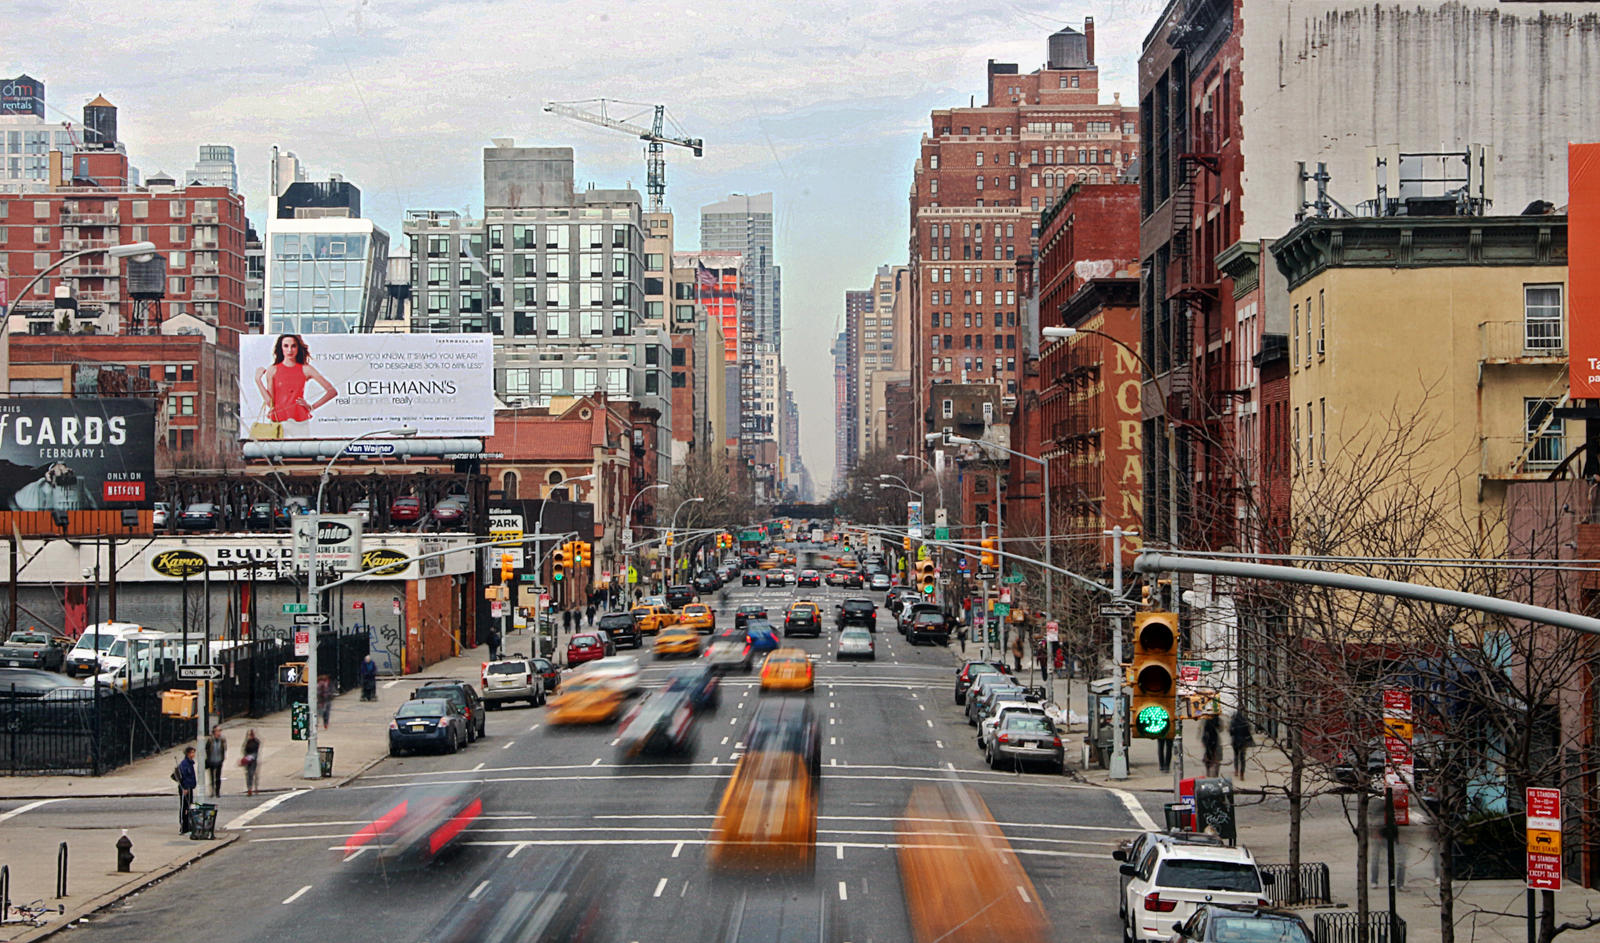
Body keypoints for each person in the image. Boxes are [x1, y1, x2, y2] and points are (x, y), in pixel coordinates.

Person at [252, 333, 337, 439]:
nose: (290, 350)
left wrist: (311, 407)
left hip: (300, 422)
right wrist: (258, 381)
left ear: (298, 347)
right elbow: (270, 403)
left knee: (303, 453)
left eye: (293, 346)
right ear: (281, 348)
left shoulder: (306, 369)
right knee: (277, 454)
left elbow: (332, 391)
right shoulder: (272, 370)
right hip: (278, 421)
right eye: (286, 346)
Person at [175, 746, 197, 833]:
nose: (193, 754)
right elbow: (183, 777)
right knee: (184, 807)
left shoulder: (190, 763)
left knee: (189, 806)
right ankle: (183, 826)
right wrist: (184, 787)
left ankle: (188, 824)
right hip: (185, 788)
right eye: (192, 752)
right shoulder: (184, 764)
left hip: (190, 787)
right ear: (188, 754)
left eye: (193, 752)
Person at [1230, 711, 1254, 780]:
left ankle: (1236, 771)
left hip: (1235, 742)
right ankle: (1242, 774)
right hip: (1243, 742)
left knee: (1236, 756)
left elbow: (1231, 733)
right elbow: (1249, 731)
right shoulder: (1245, 722)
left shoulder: (1233, 722)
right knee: (1242, 758)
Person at [203, 725, 227, 796]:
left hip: (219, 760)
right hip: (211, 760)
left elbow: (224, 749)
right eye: (217, 731)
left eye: (220, 731)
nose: (219, 732)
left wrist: (223, 758)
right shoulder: (210, 740)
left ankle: (217, 791)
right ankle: (212, 791)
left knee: (218, 777)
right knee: (211, 777)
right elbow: (206, 749)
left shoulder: (222, 739)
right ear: (214, 732)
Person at [1201, 714, 1223, 779]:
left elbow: (1203, 729)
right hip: (1214, 740)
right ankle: (1215, 772)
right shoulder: (1217, 719)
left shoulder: (1206, 718)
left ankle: (1208, 770)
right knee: (1216, 756)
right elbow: (1221, 729)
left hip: (1208, 740)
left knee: (1208, 754)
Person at [242, 729, 261, 796]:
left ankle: (255, 787)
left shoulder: (256, 742)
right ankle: (249, 788)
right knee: (248, 774)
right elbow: (244, 750)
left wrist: (250, 757)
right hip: (247, 761)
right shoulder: (247, 742)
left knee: (253, 773)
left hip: (253, 760)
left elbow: (256, 752)